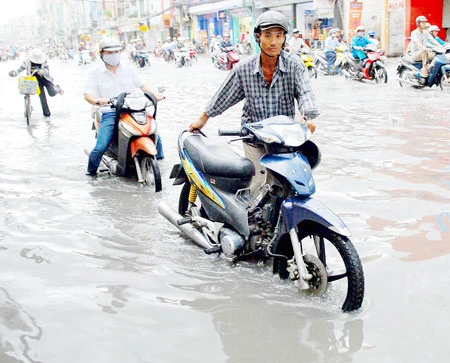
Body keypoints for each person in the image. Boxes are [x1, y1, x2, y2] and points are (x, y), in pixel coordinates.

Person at [188, 10, 318, 195]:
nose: (273, 42)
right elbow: (224, 96)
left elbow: (305, 92)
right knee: (258, 185)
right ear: (258, 37)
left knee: (287, 185)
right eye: (267, 36)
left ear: (284, 39)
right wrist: (203, 119)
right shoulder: (244, 68)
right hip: (254, 138)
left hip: (283, 139)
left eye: (278, 36)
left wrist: (308, 117)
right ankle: (251, 222)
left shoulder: (294, 64)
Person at [83, 37, 165, 176]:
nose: (114, 55)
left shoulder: (129, 69)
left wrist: (155, 94)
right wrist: (97, 101)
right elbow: (87, 95)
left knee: (153, 132)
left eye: (116, 51)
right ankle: (90, 173)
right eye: (109, 53)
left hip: (133, 109)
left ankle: (160, 162)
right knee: (101, 146)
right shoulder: (95, 73)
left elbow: (143, 86)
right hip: (110, 112)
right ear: (102, 54)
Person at [8, 48, 64, 117]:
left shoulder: (44, 60)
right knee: (42, 96)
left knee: (51, 93)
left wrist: (43, 71)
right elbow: (20, 69)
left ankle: (58, 88)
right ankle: (47, 114)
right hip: (35, 81)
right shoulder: (27, 61)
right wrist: (14, 73)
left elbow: (47, 70)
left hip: (45, 79)